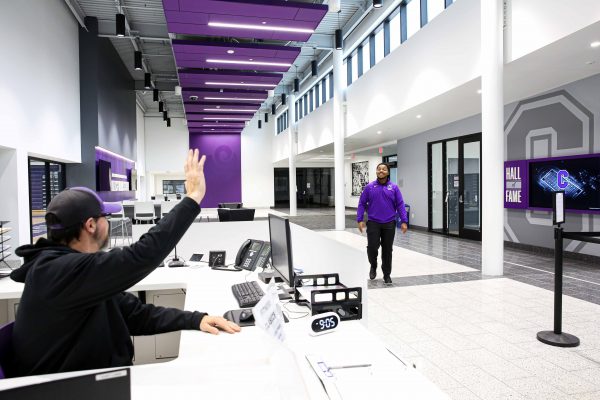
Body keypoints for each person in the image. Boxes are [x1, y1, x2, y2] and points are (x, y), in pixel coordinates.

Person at [7, 149, 240, 377]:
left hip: (99, 380)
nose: (109, 223)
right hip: (66, 390)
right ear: (91, 225)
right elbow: (140, 256)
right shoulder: (57, 272)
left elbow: (134, 314)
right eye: (105, 218)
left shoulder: (75, 273)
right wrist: (192, 198)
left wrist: (196, 319)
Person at [357, 162, 408, 284]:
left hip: (389, 223)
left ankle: (386, 274)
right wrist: (360, 219)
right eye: (379, 169)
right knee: (372, 247)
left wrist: (404, 221)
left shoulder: (394, 188)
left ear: (388, 172)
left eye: (384, 169)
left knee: (387, 250)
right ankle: (373, 265)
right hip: (373, 222)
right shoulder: (369, 187)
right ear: (376, 172)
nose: (381, 171)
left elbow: (400, 204)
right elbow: (362, 203)